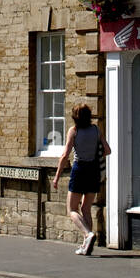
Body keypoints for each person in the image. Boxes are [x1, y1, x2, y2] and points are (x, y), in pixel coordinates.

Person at [52, 104, 111, 256]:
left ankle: (87, 234)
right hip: (93, 170)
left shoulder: (74, 131)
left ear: (74, 117)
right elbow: (107, 150)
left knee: (71, 209)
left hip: (79, 170)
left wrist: (57, 177)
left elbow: (65, 155)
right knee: (86, 209)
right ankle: (86, 246)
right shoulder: (96, 130)